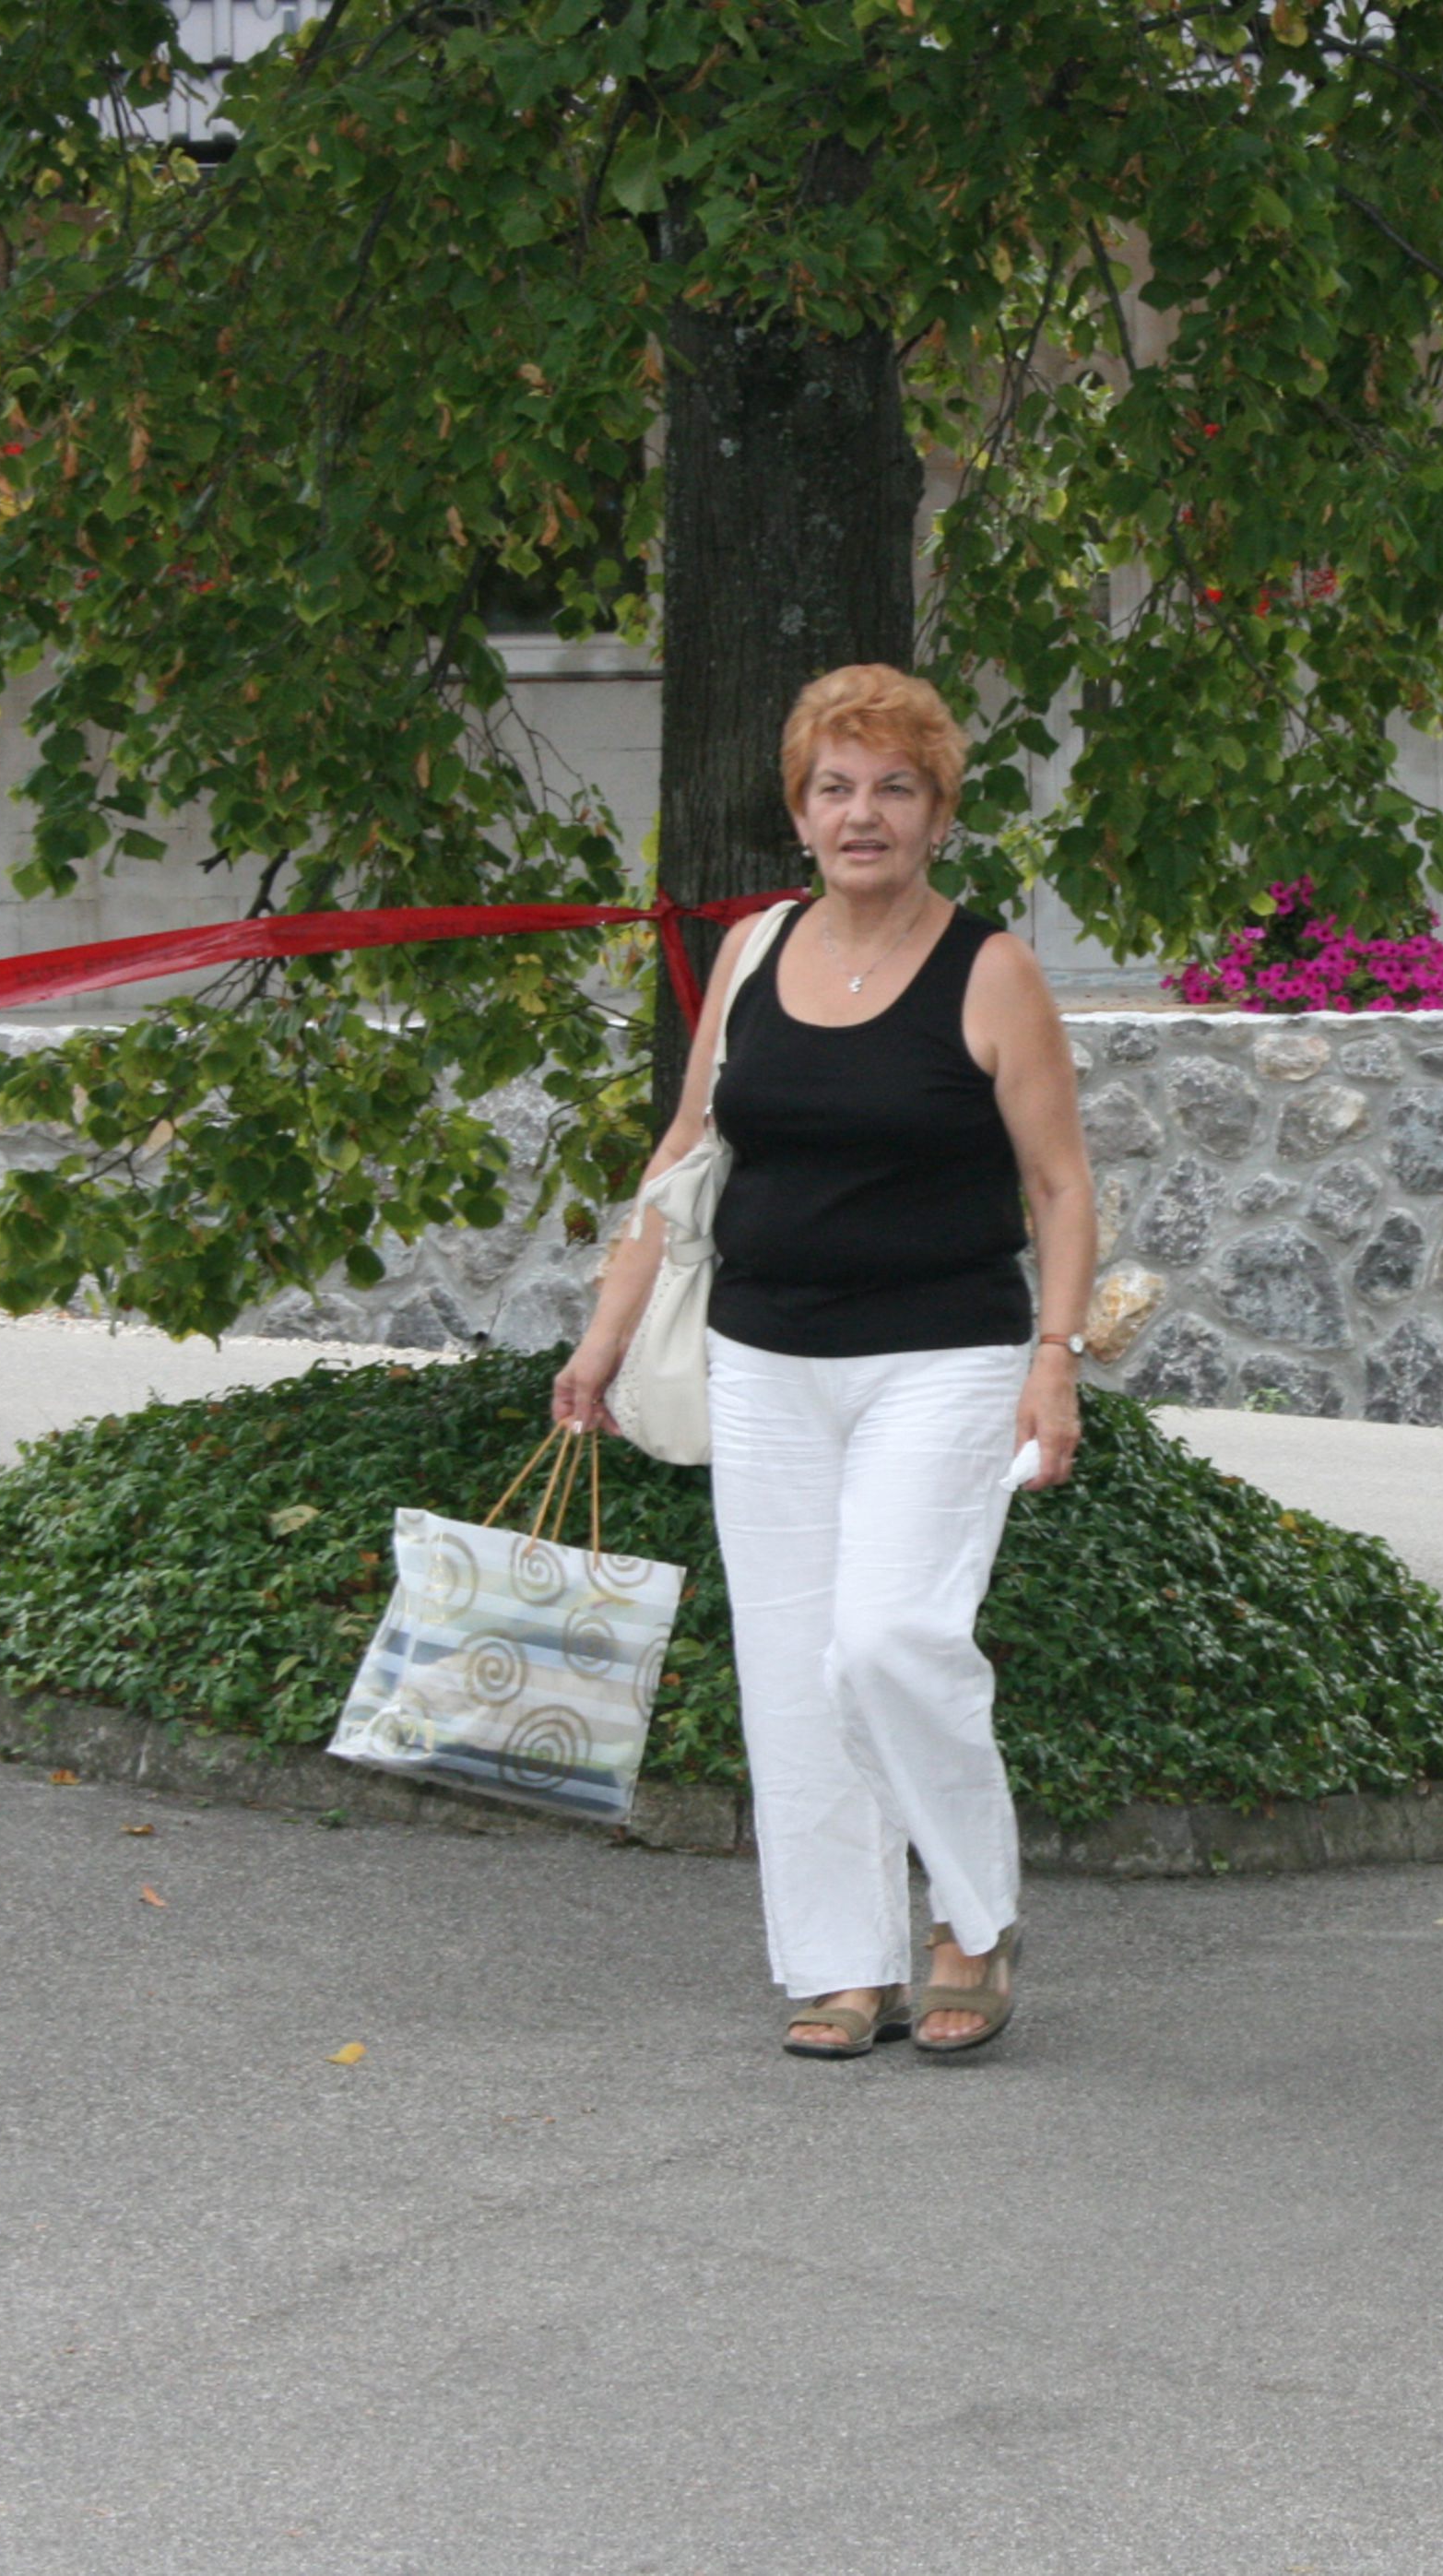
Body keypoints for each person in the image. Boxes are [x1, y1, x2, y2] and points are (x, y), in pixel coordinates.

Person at [553, 665, 1095, 2062]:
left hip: (944, 1358)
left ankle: (972, 1915)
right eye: (836, 788)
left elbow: (1059, 1184)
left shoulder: (991, 970)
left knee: (891, 1639)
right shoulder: (752, 952)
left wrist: (1054, 1358)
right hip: (763, 1357)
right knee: (793, 1672)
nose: (864, 815)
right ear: (799, 814)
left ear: (939, 815)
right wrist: (605, 1334)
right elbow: (687, 1153)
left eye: (895, 789)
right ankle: (843, 1962)